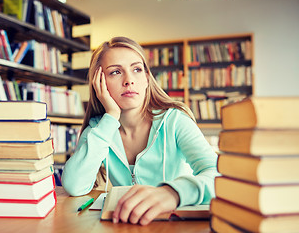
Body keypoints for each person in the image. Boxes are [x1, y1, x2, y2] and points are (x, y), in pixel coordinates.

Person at [61, 36, 218, 225]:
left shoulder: (175, 121)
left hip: (175, 225)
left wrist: (172, 192)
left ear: (146, 79)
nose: (129, 81)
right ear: (99, 83)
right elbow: (74, 185)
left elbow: (218, 175)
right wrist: (111, 116)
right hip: (128, 225)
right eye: (116, 72)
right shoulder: (99, 127)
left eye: (137, 69)